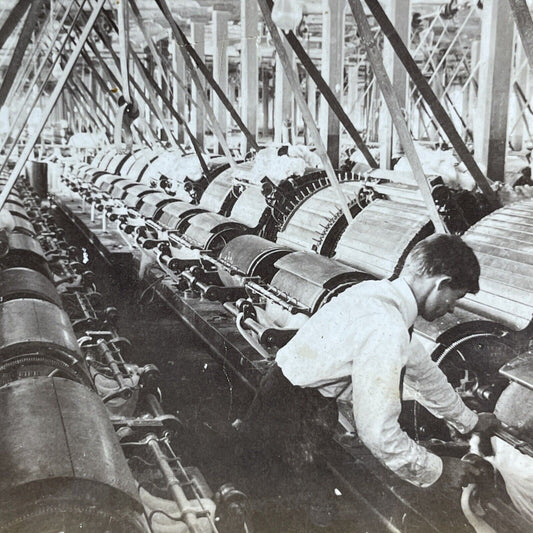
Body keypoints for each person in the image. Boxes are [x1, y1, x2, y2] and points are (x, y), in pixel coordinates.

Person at [240, 233, 498, 490]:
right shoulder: (386, 325)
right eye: (455, 297)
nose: (452, 308)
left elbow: (423, 372)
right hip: (291, 421)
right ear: (441, 283)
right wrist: (439, 470)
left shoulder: (377, 295)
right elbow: (377, 432)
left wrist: (470, 421)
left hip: (283, 400)